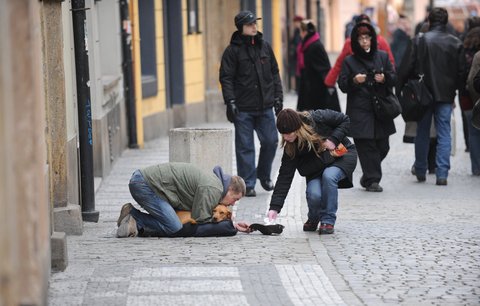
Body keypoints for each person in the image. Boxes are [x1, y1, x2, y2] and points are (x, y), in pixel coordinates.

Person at [219, 10, 283, 197]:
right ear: (241, 28)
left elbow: (274, 73)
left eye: (255, 23)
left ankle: (264, 175)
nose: (254, 27)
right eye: (250, 24)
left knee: (271, 141)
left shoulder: (265, 47)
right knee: (245, 147)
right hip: (243, 108)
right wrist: (230, 101)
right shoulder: (232, 51)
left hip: (265, 107)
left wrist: (278, 97)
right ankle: (249, 182)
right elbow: (226, 78)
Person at [266, 109, 357, 235]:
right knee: (314, 195)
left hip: (340, 156)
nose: (286, 137)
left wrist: (333, 139)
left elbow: (345, 119)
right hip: (317, 168)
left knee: (329, 176)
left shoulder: (317, 118)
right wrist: (274, 208)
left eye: (289, 133)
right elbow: (284, 177)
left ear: (298, 128)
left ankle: (328, 220)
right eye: (283, 134)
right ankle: (314, 218)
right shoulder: (290, 148)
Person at [402, 7, 466, 185]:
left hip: (423, 93)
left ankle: (421, 169)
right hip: (445, 94)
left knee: (422, 131)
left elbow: (408, 67)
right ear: (446, 22)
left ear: (429, 21)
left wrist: (402, 89)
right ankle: (442, 173)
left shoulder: (419, 41)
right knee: (444, 132)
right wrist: (456, 93)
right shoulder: (455, 43)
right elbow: (461, 73)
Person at [116, 162, 251, 238]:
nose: (233, 204)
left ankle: (136, 224)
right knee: (175, 227)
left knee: (172, 221)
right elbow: (201, 221)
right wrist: (230, 226)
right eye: (235, 199)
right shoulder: (213, 188)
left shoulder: (215, 185)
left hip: (145, 182)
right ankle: (134, 216)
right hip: (144, 185)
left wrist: (234, 224)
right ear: (230, 190)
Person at [338, 21, 397, 192]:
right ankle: (372, 180)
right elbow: (342, 84)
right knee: (367, 146)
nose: (364, 41)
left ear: (372, 39)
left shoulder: (382, 56)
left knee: (383, 146)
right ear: (355, 41)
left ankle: (368, 174)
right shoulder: (349, 61)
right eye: (361, 38)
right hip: (360, 111)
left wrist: (384, 78)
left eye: (367, 37)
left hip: (381, 110)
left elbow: (394, 77)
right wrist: (354, 81)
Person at [324, 14, 395, 89]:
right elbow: (339, 64)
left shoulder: (380, 41)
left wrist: (385, 78)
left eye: (367, 25)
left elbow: (390, 62)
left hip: (378, 87)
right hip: (358, 86)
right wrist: (329, 82)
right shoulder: (349, 43)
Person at [296, 20, 340, 112]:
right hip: (311, 88)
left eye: (301, 31)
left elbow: (324, 68)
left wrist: (329, 86)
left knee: (319, 118)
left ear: (305, 32)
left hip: (318, 90)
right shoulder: (308, 45)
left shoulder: (315, 46)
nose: (300, 34)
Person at [466, 50, 480, 175]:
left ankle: (477, 167)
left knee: (475, 133)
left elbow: (472, 81)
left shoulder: (478, 56)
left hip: (476, 101)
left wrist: (476, 101)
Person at [289, 15, 304, 92]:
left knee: (299, 72)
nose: (295, 24)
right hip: (296, 55)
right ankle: (297, 88)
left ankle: (299, 88)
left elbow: (299, 43)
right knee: (296, 72)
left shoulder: (301, 31)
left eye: (296, 22)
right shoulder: (296, 31)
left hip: (300, 55)